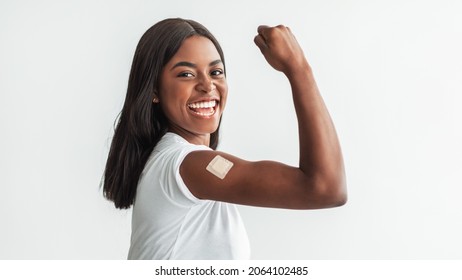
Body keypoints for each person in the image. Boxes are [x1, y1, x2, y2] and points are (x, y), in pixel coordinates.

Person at [102, 18, 347, 260]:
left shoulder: (179, 163)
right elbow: (325, 188)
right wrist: (298, 69)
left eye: (216, 72)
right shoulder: (189, 166)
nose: (207, 86)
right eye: (186, 74)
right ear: (154, 90)